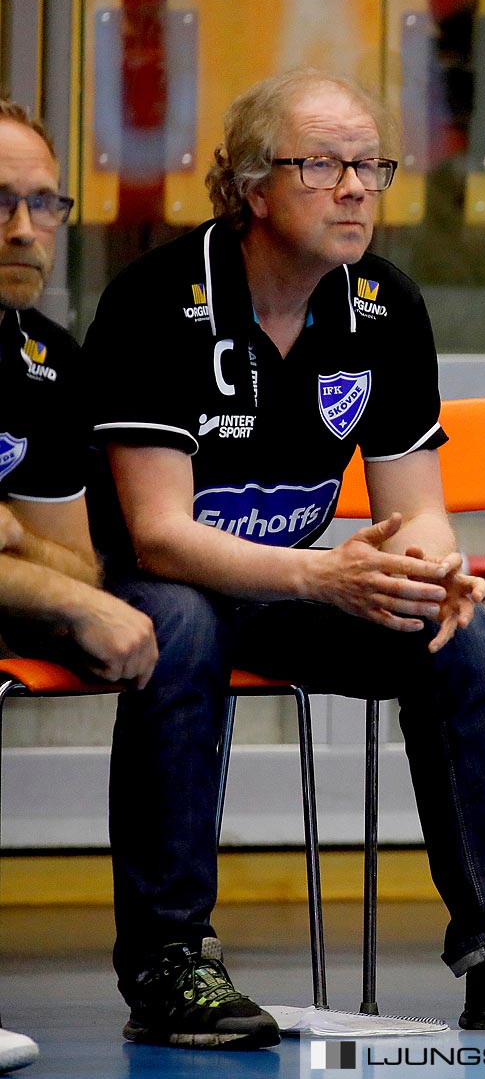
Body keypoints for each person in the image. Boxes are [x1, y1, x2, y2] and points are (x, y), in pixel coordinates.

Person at [78, 70, 485, 1050]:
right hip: (152, 580)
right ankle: (169, 961)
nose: (355, 187)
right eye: (322, 164)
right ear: (250, 187)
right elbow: (156, 533)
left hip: (286, 578)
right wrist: (326, 573)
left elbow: (416, 513)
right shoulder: (158, 298)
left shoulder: (385, 307)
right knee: (179, 624)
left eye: (370, 165)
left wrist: (432, 568)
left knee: (451, 629)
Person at [1, 98, 161, 1074]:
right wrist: (59, 594)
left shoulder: (46, 360)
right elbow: (67, 587)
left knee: (176, 628)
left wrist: (16, 540)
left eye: (42, 203)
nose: (23, 230)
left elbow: (75, 557)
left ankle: (175, 961)